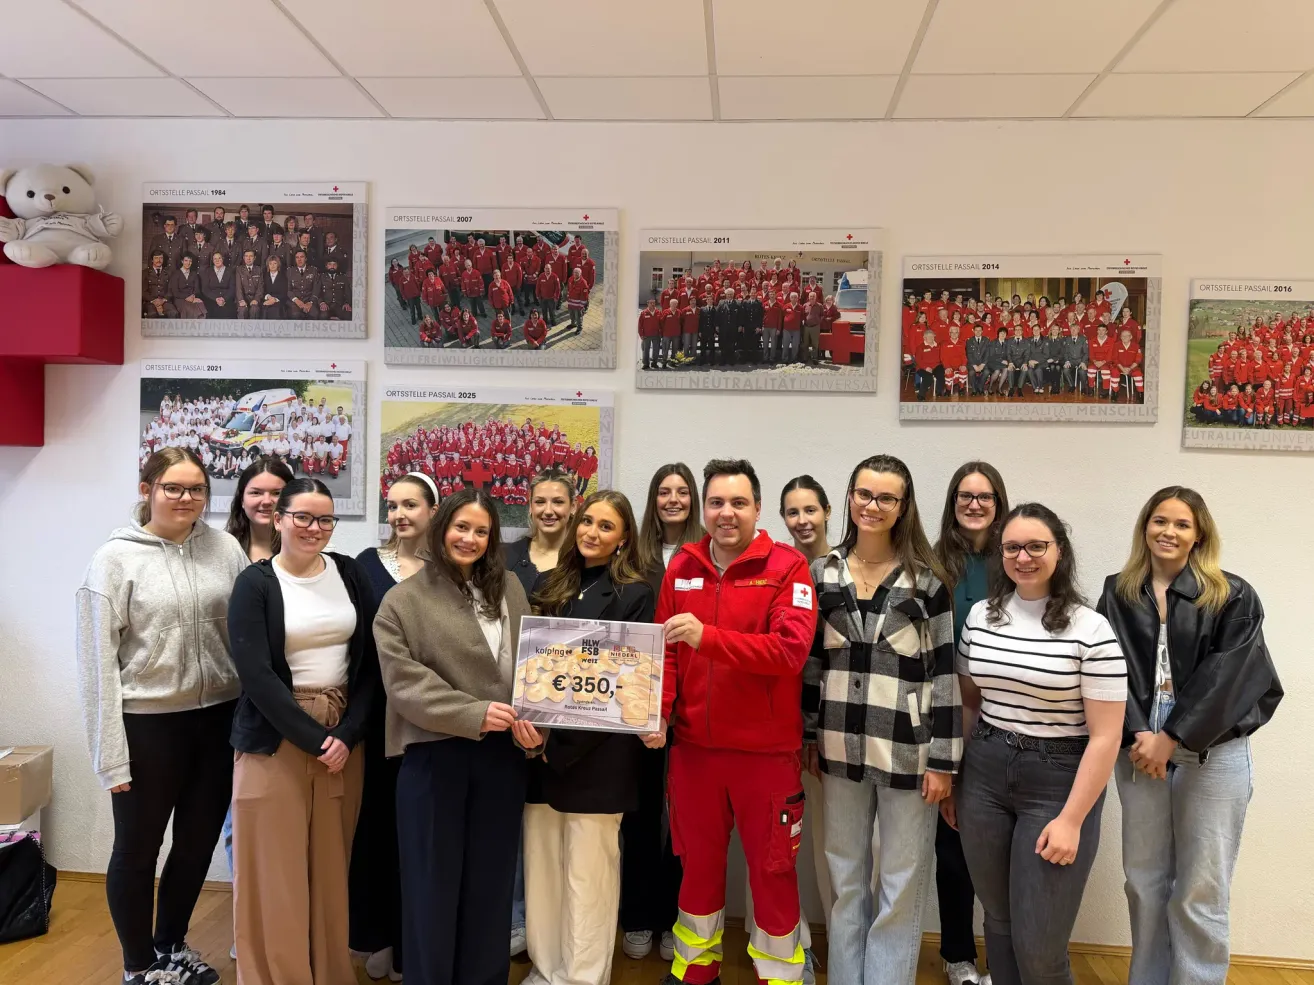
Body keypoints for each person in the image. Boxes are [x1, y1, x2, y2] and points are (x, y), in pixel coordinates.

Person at [75, 448, 248, 985]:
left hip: (217, 720)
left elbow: (246, 633)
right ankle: (138, 966)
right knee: (137, 848)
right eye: (173, 487)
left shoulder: (226, 549)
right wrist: (111, 759)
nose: (187, 498)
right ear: (147, 487)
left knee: (197, 844)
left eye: (196, 488)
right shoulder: (113, 561)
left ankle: (170, 945)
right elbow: (96, 668)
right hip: (147, 725)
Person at [1098, 487, 1282, 985]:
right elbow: (1108, 668)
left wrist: (1172, 736)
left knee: (1201, 887)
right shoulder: (1118, 591)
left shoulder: (1232, 593)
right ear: (1145, 527)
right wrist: (1141, 733)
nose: (1169, 532)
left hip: (1212, 745)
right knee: (1144, 881)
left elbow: (1231, 676)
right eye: (1160, 520)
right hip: (1138, 742)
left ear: (1199, 533)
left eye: (1181, 523)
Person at [947, 503, 1126, 985]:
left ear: (1059, 551)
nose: (1022, 557)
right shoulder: (982, 618)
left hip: (1057, 781)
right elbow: (969, 704)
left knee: (1039, 946)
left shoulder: (1091, 629)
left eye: (1036, 546)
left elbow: (1107, 736)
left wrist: (1071, 820)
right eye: (1011, 547)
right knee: (999, 926)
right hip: (984, 772)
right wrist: (958, 779)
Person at [655, 459, 818, 985]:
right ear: (705, 508)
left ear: (757, 508)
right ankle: (695, 970)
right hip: (694, 754)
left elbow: (789, 652)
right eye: (718, 503)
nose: (727, 514)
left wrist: (708, 637)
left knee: (773, 874)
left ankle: (781, 976)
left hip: (766, 757)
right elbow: (663, 656)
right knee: (697, 871)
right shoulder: (681, 566)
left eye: (739, 503)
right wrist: (658, 716)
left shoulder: (789, 567)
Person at [804, 455, 959, 985]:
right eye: (864, 494)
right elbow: (810, 663)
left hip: (909, 753)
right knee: (845, 880)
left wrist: (944, 762)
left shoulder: (928, 581)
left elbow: (944, 675)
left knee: (900, 883)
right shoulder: (821, 573)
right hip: (838, 747)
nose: (873, 506)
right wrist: (806, 734)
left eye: (886, 498)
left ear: (903, 507)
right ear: (849, 497)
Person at [373, 489, 532, 985]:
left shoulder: (509, 588)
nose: (470, 538)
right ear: (441, 529)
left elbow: (534, 664)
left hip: (502, 759)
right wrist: (476, 713)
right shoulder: (401, 601)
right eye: (461, 527)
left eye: (481, 531)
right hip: (433, 760)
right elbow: (405, 685)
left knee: (490, 887)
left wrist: (535, 723)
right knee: (431, 889)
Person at [227, 478, 378, 985]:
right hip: (276, 740)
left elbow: (371, 665)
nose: (315, 529)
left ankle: (330, 974)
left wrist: (348, 734)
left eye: (326, 519)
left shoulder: (350, 574)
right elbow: (256, 676)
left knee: (332, 869)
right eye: (304, 518)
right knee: (275, 873)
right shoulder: (256, 582)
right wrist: (315, 741)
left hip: (343, 737)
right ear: (278, 518)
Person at [522, 491, 657, 985]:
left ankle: (582, 977)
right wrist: (533, 740)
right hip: (535, 750)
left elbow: (624, 686)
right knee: (543, 871)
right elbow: (530, 667)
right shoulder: (548, 583)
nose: (591, 533)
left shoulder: (636, 594)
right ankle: (547, 966)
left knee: (588, 879)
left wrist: (553, 747)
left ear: (624, 539)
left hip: (597, 758)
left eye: (605, 526)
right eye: (587, 522)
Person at [351, 473, 441, 983]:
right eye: (392, 506)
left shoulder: (451, 570)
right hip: (375, 715)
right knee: (376, 830)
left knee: (420, 837)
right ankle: (375, 934)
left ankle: (414, 945)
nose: (400, 514)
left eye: (411, 504)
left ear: (433, 509)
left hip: (427, 719)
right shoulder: (365, 566)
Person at [621, 464, 704, 962]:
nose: (672, 500)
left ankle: (675, 919)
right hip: (639, 703)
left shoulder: (704, 555)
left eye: (681, 492)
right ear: (652, 500)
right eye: (663, 492)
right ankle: (636, 917)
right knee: (639, 813)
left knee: (681, 822)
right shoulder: (637, 557)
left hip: (691, 706)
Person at [932, 463, 1010, 985]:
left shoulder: (1017, 558)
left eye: (985, 496)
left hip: (1009, 718)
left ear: (999, 502)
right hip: (948, 713)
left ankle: (1004, 956)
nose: (975, 504)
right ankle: (958, 955)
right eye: (965, 495)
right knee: (953, 841)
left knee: (1003, 846)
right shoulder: (934, 563)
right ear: (952, 502)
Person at [501, 466, 576, 954]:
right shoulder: (506, 558)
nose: (549, 509)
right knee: (511, 815)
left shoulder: (584, 557)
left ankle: (554, 925)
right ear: (528, 506)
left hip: (569, 706)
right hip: (509, 701)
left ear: (573, 507)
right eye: (540, 501)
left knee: (558, 819)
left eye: (558, 501)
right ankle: (513, 921)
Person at [200, 249, 235, 319]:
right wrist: (215, 298)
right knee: (211, 312)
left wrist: (224, 299)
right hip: (211, 299)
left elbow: (232, 288)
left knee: (228, 312)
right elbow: (205, 289)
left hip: (226, 299)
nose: (217, 260)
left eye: (219, 258)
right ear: (212, 261)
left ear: (223, 259)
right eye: (215, 259)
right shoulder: (208, 271)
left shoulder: (230, 271)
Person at [170, 252, 206, 319]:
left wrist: (193, 297)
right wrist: (187, 297)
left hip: (193, 298)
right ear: (182, 261)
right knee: (190, 309)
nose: (188, 263)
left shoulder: (194, 274)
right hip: (180, 299)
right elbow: (175, 292)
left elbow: (197, 289)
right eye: (186, 260)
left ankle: (199, 328)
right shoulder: (176, 274)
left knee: (201, 304)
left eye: (190, 261)